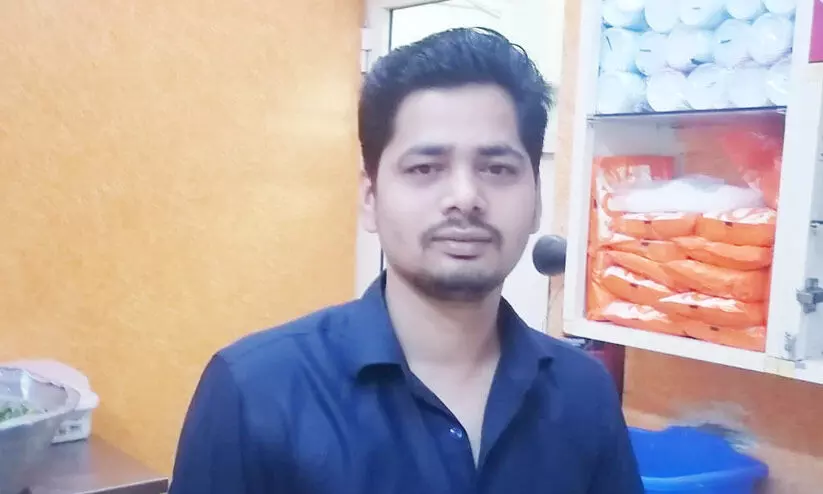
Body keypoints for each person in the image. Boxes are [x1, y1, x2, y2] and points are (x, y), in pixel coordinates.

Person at [169, 28, 643, 494]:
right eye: (425, 168)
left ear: (537, 199)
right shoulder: (254, 392)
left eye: (497, 168)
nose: (465, 197)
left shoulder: (584, 392)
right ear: (370, 196)